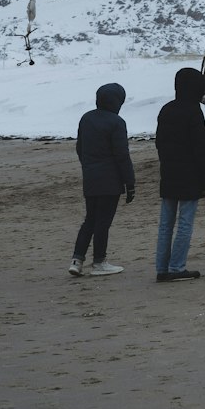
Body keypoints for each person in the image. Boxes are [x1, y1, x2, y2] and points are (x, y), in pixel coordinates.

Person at [69, 82, 135, 278]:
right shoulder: (117, 122)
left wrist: (88, 167)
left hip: (90, 178)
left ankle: (77, 260)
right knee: (103, 223)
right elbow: (122, 155)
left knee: (90, 220)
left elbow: (80, 148)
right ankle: (99, 262)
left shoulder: (86, 118)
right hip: (110, 180)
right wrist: (129, 183)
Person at [154, 66, 205, 283]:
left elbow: (159, 142)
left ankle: (162, 267)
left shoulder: (166, 109)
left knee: (166, 223)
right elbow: (200, 148)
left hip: (168, 172)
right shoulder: (193, 111)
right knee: (185, 222)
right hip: (189, 176)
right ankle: (177, 267)